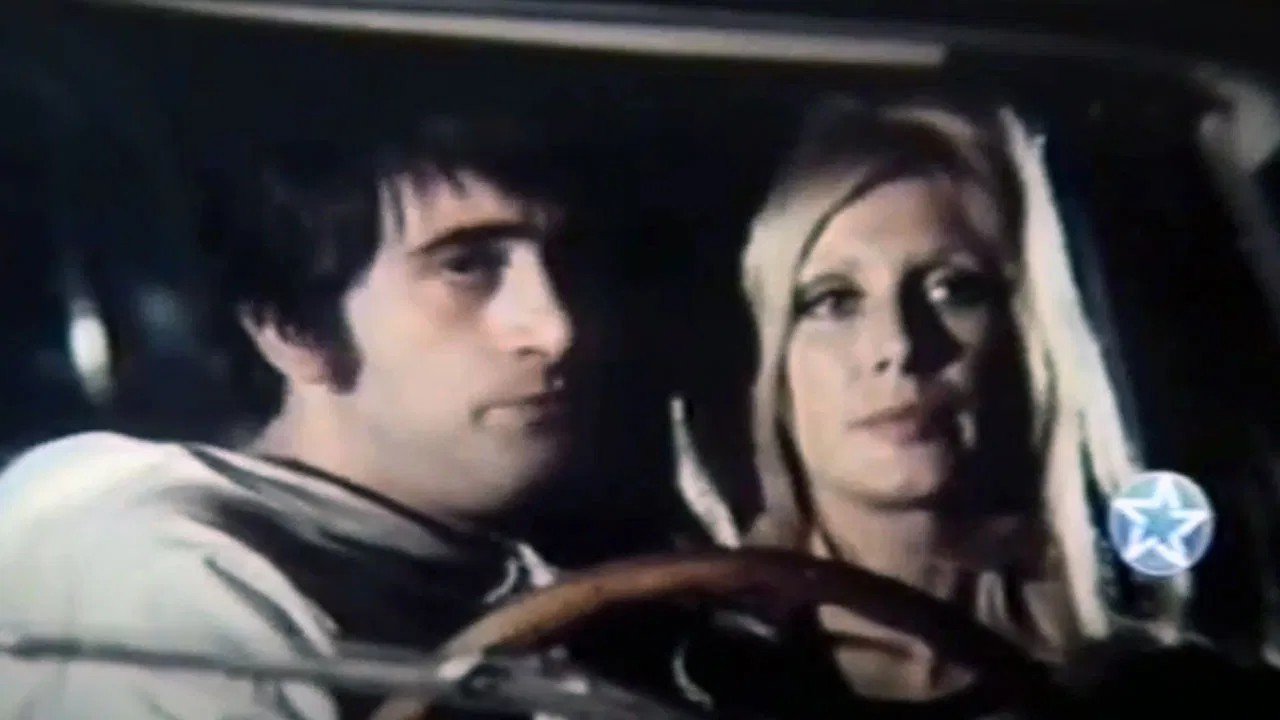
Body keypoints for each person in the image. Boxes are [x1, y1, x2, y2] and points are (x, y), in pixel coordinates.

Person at [0, 108, 688, 719]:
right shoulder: (173, 573)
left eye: (572, 260)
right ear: (296, 332)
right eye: (465, 267)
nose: (557, 329)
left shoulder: (547, 545)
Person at [669, 96, 1211, 718]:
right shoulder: (691, 661)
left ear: (1020, 337)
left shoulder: (1132, 646)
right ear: (773, 364)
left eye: (953, 290)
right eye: (834, 301)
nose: (900, 345)